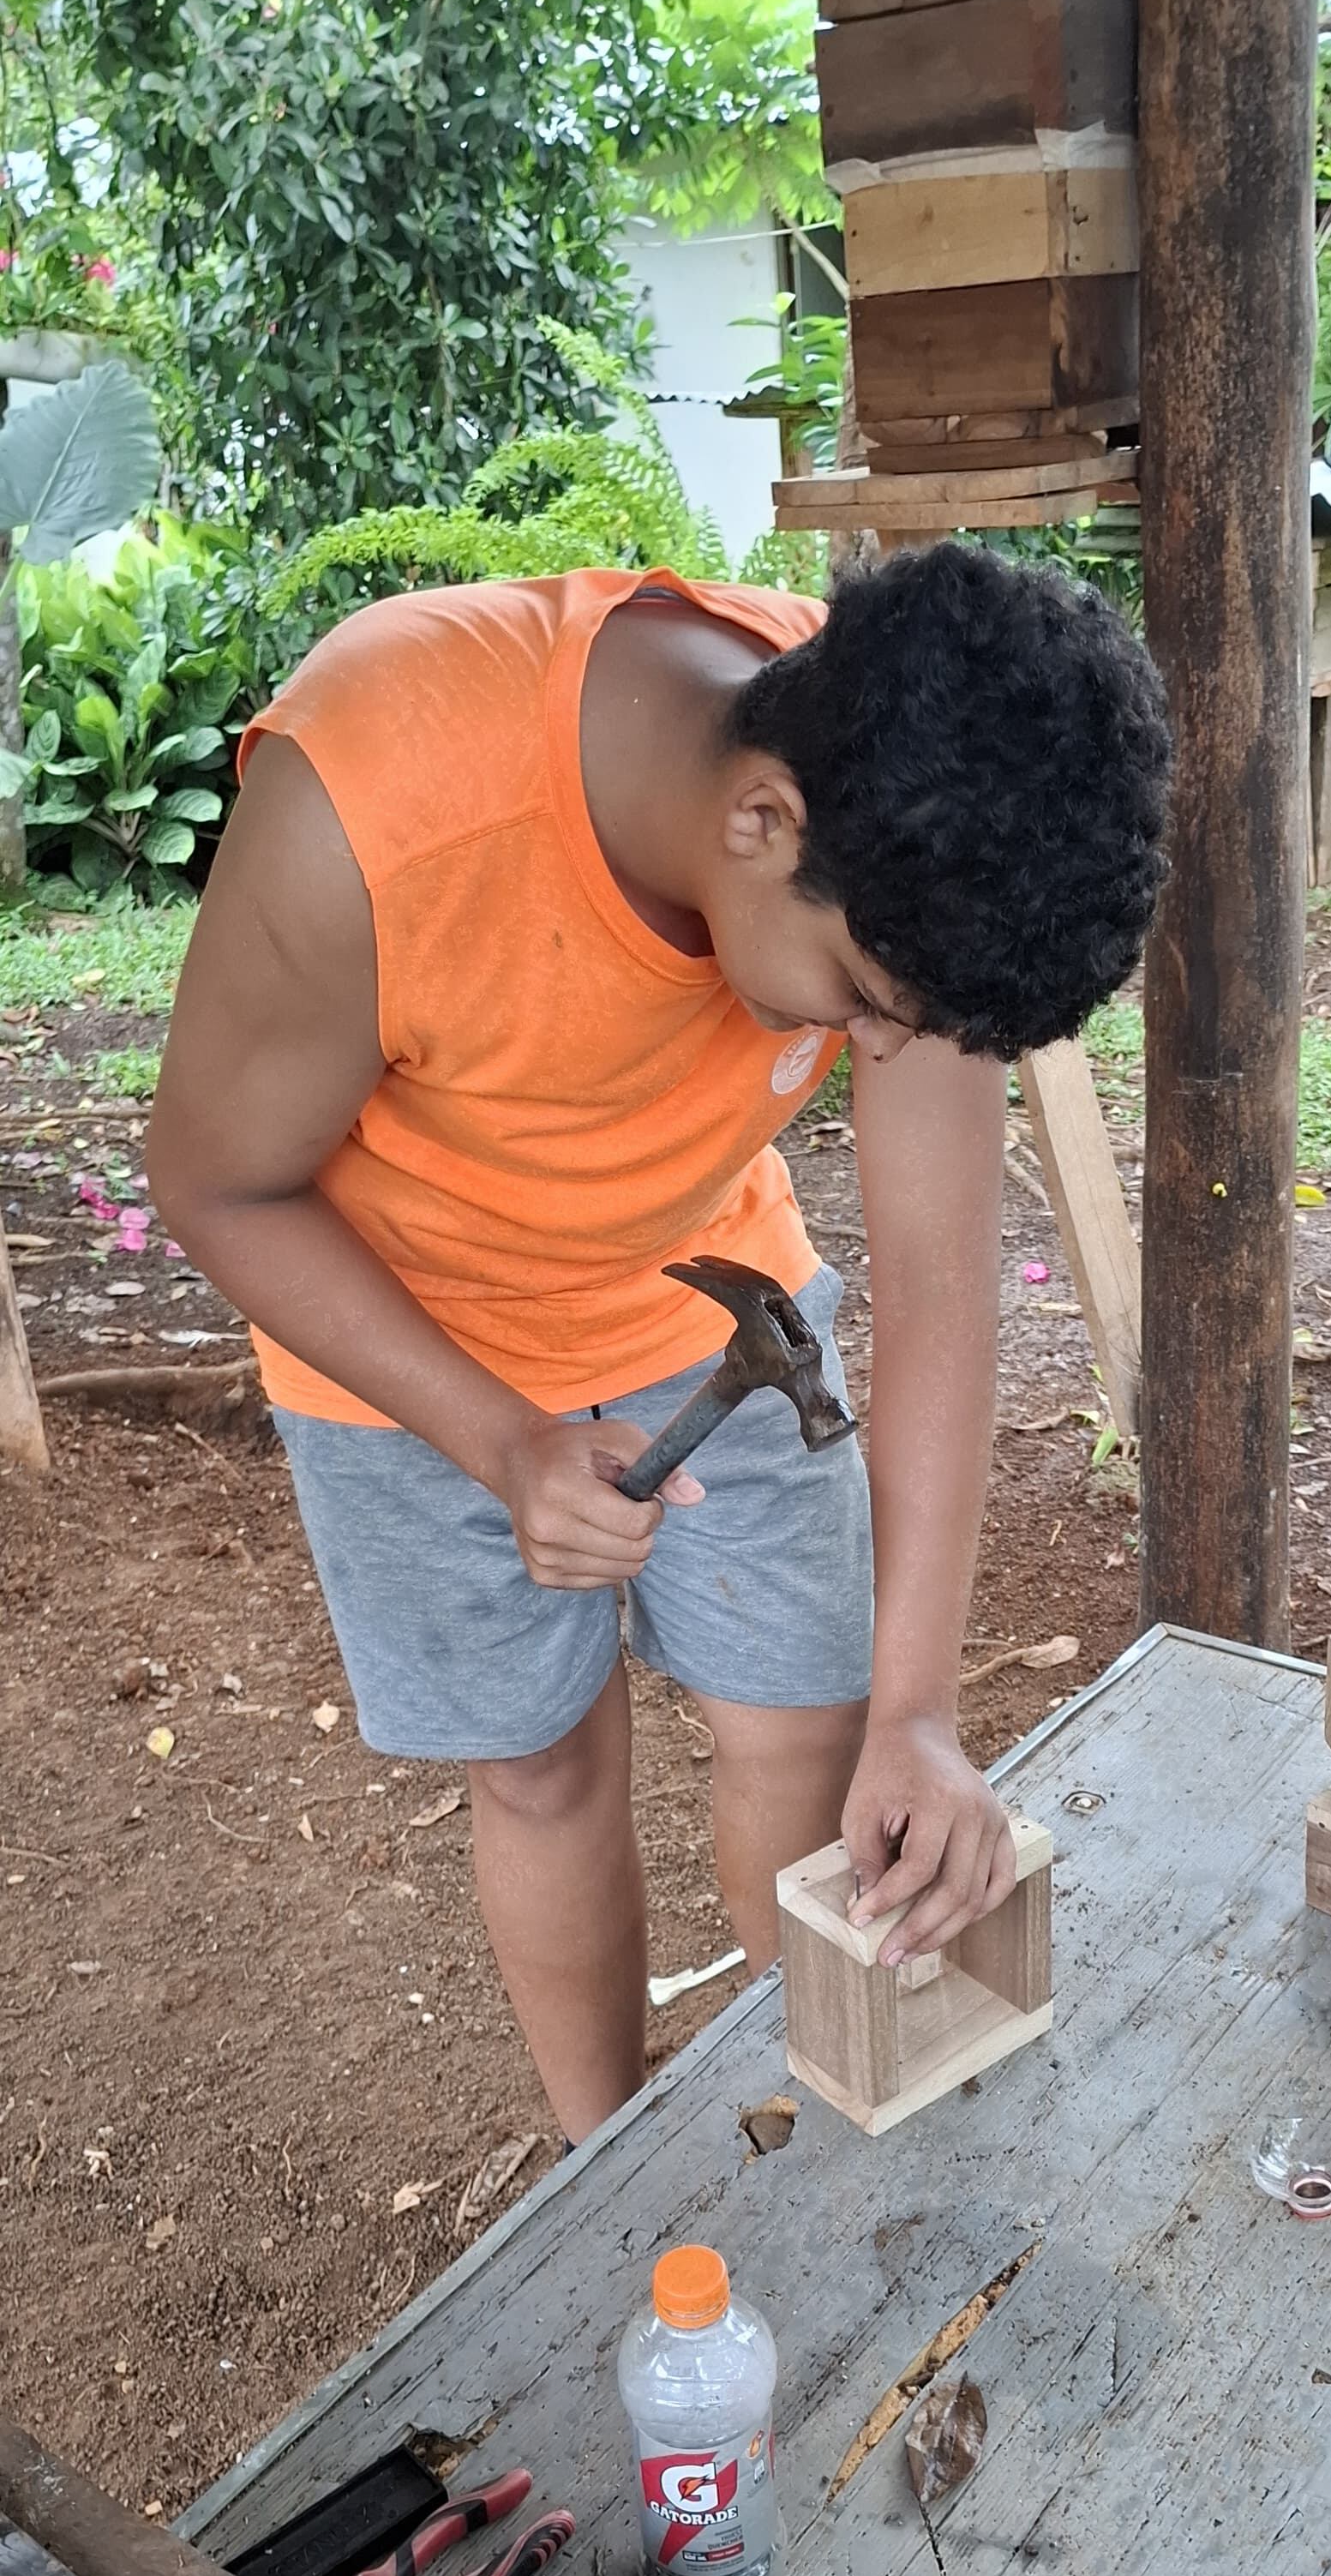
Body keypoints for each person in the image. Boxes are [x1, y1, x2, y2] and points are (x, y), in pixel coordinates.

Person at [148, 539, 1169, 2141]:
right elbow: (216, 1183)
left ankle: (823, 2106)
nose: (882, 1051)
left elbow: (937, 1290)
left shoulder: (917, 833)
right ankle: (606, 2165)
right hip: (398, 1329)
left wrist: (916, 1712)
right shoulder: (376, 803)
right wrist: (498, 1440)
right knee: (542, 1768)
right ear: (763, 824)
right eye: (862, 1002)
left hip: (705, 1295)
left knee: (811, 1726)